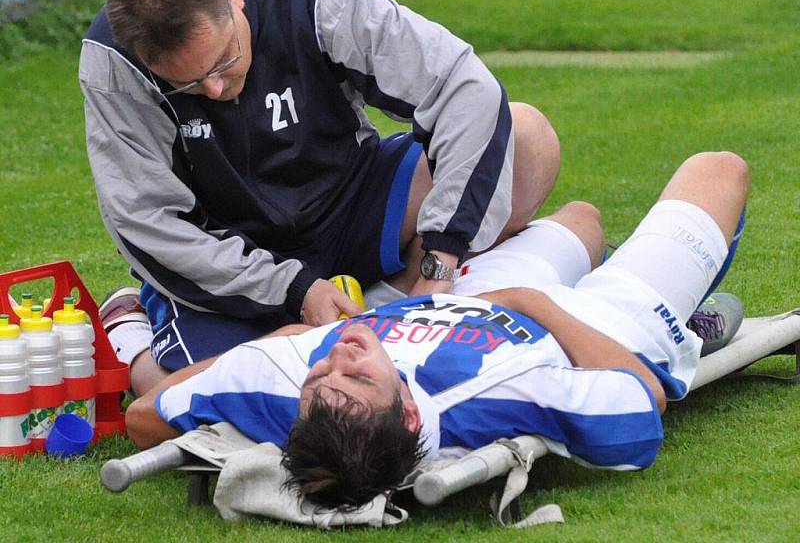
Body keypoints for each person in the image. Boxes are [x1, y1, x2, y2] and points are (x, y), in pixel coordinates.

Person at [126, 151, 749, 509]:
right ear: (412, 416)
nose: (338, 356)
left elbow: (147, 414)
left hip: (468, 300)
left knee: (581, 220)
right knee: (719, 169)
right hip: (596, 323)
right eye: (358, 376)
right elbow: (645, 399)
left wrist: (277, 341)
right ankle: (685, 326)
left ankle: (616, 268)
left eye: (323, 377)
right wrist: (535, 304)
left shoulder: (291, 395)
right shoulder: (506, 400)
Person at [79, 0, 561, 396]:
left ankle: (387, 300)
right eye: (187, 83)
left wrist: (441, 259)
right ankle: (131, 333)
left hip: (352, 203)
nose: (217, 88)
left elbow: (463, 87)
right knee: (199, 391)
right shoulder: (116, 62)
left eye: (226, 59)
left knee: (527, 137)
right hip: (230, 253)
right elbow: (147, 223)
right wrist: (294, 289)